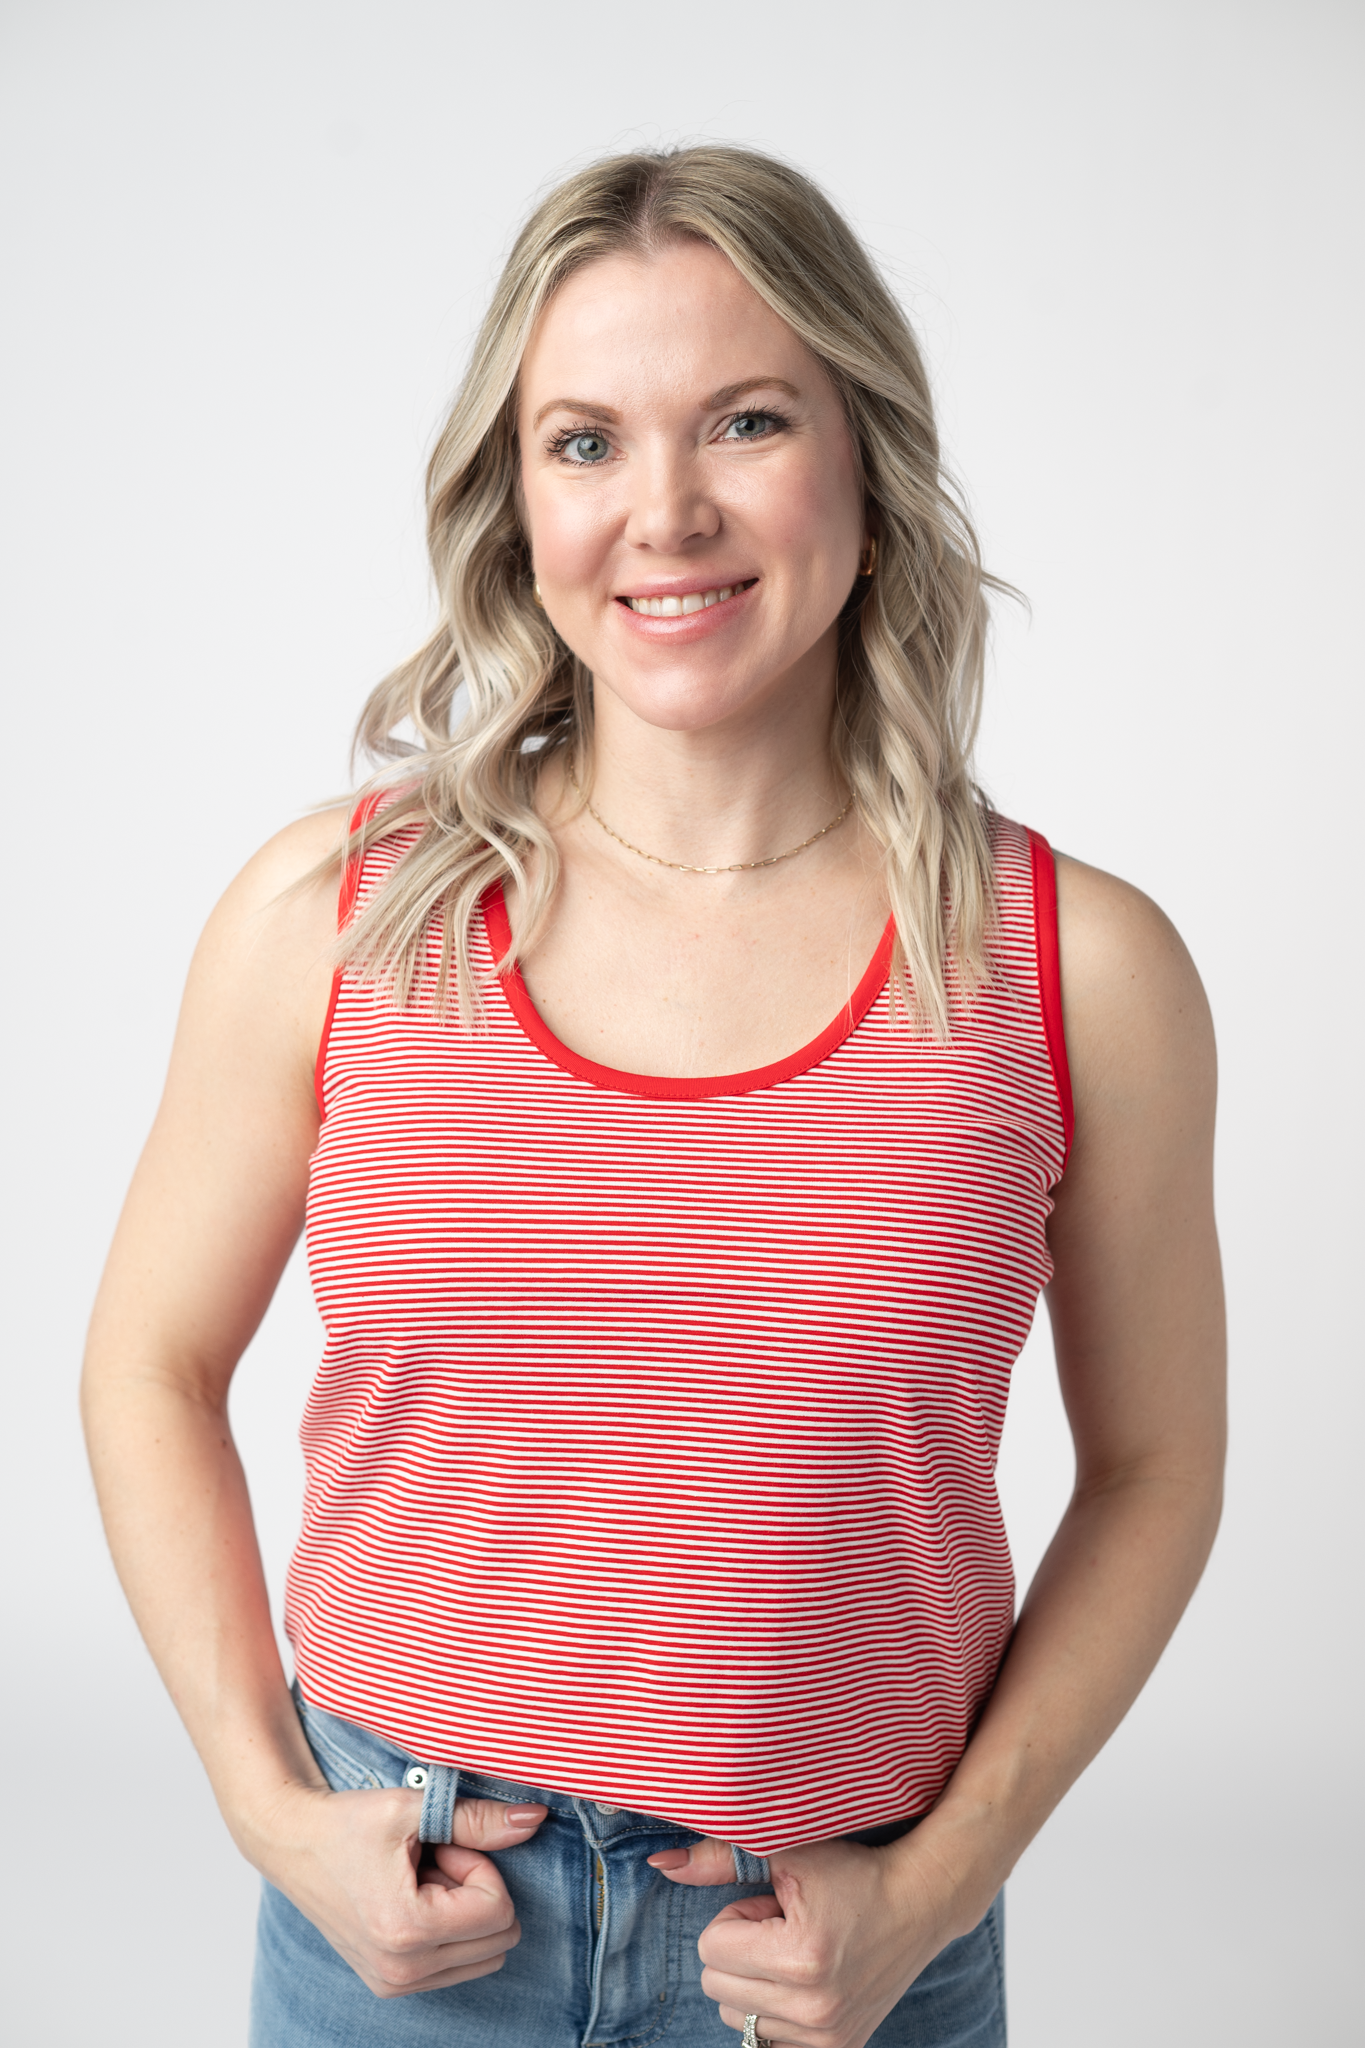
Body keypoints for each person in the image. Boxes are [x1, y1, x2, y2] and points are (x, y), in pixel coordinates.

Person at [82, 146, 1226, 2048]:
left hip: (838, 1959)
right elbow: (146, 1365)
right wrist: (266, 1805)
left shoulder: (1076, 970)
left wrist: (929, 1900)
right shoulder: (335, 916)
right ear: (516, 496)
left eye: (747, 421)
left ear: (864, 460)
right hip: (407, 1925)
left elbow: (1158, 1469)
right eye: (587, 441)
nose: (666, 513)